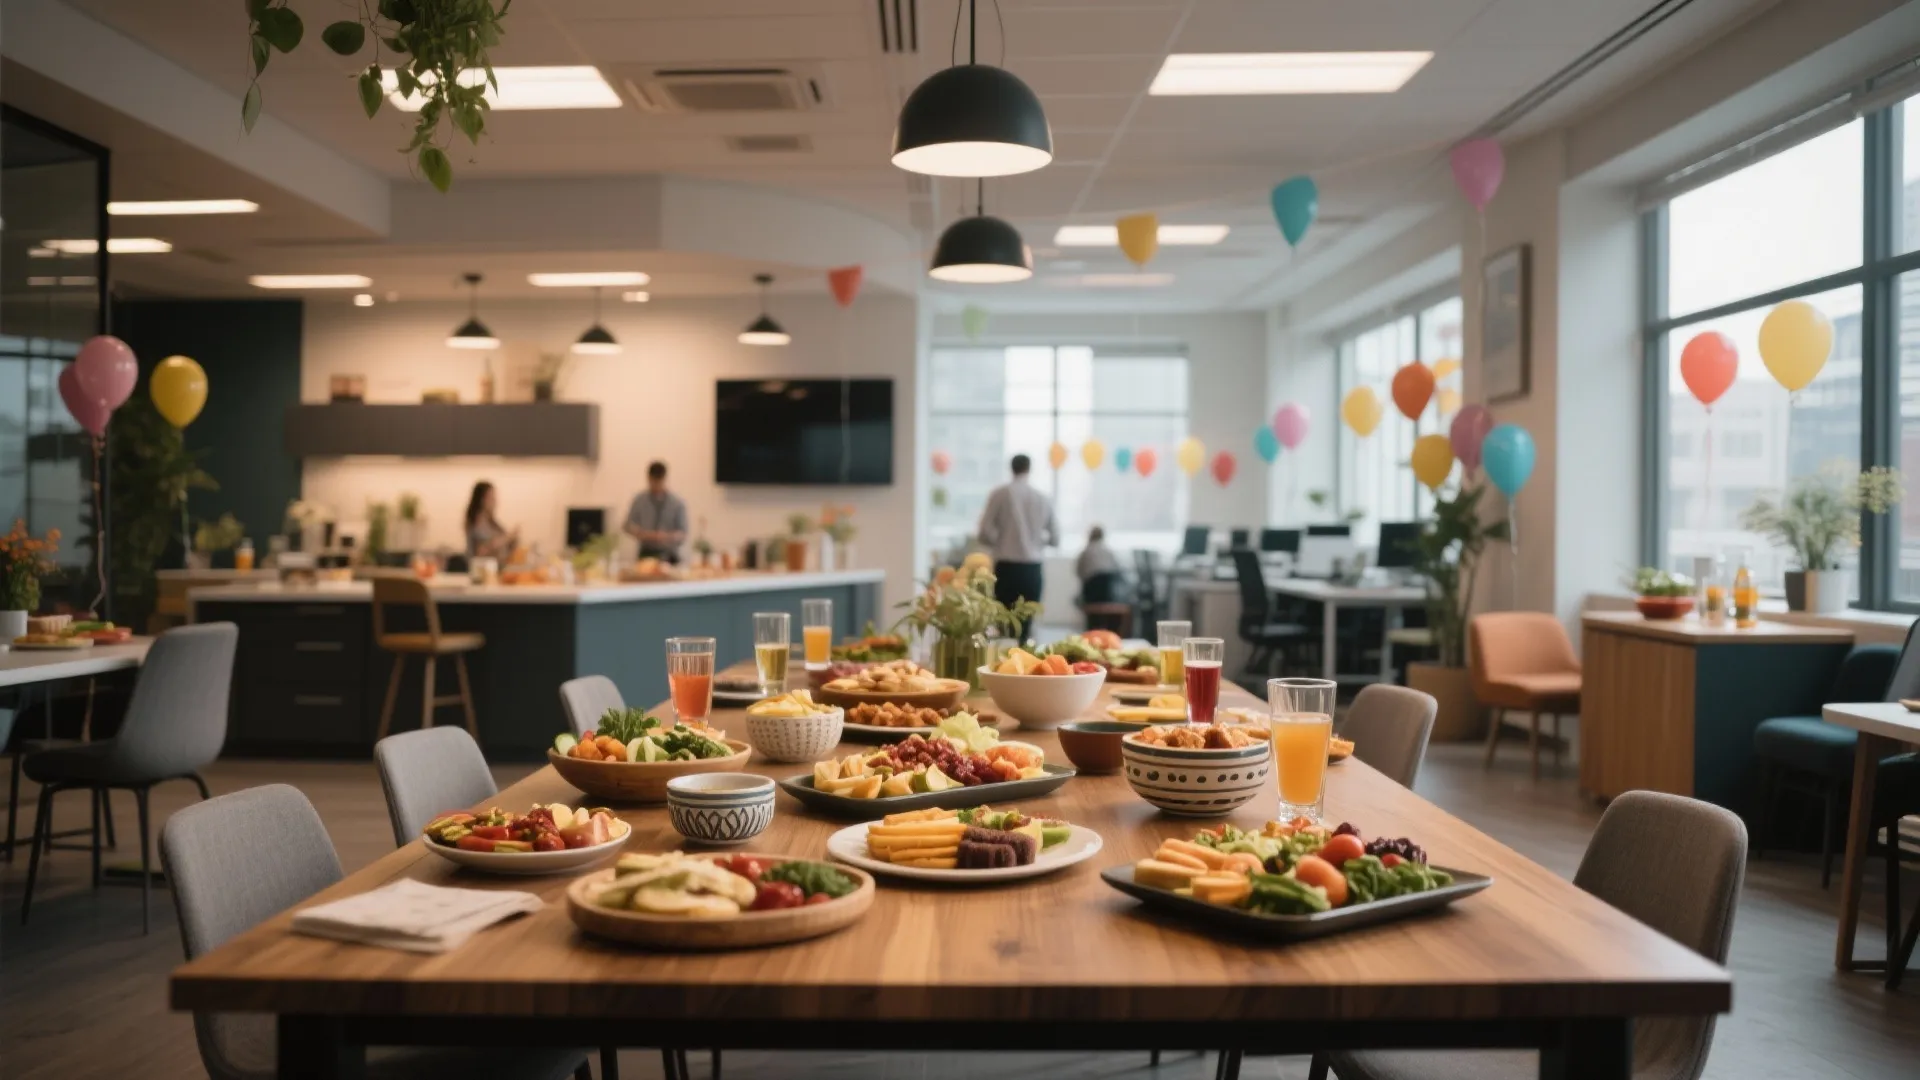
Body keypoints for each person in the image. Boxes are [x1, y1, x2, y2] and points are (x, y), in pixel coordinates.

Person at [976, 453, 1055, 642]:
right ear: (1029, 469)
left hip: (1006, 567)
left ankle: (1003, 666)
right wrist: (1035, 541)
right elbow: (1056, 538)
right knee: (1026, 627)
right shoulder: (1042, 498)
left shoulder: (1000, 494)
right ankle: (1023, 665)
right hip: (1032, 569)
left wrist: (1001, 541)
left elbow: (984, 532)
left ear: (1011, 468)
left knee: (1003, 624)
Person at [624, 460, 689, 564]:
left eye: (658, 482)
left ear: (664, 479)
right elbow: (627, 525)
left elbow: (683, 532)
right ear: (648, 478)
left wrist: (666, 536)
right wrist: (642, 534)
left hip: (669, 555)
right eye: (652, 481)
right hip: (646, 553)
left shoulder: (677, 503)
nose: (655, 485)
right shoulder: (639, 500)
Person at [464, 481, 517, 560]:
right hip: (481, 568)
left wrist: (512, 541)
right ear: (481, 500)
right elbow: (481, 551)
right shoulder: (477, 523)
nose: (495, 501)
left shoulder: (492, 523)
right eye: (491, 497)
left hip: (497, 567)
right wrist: (505, 539)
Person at [1076, 525, 1124, 605]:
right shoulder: (1108, 551)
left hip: (1092, 590)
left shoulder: (1085, 552)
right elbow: (1117, 569)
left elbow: (1079, 572)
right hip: (1109, 592)